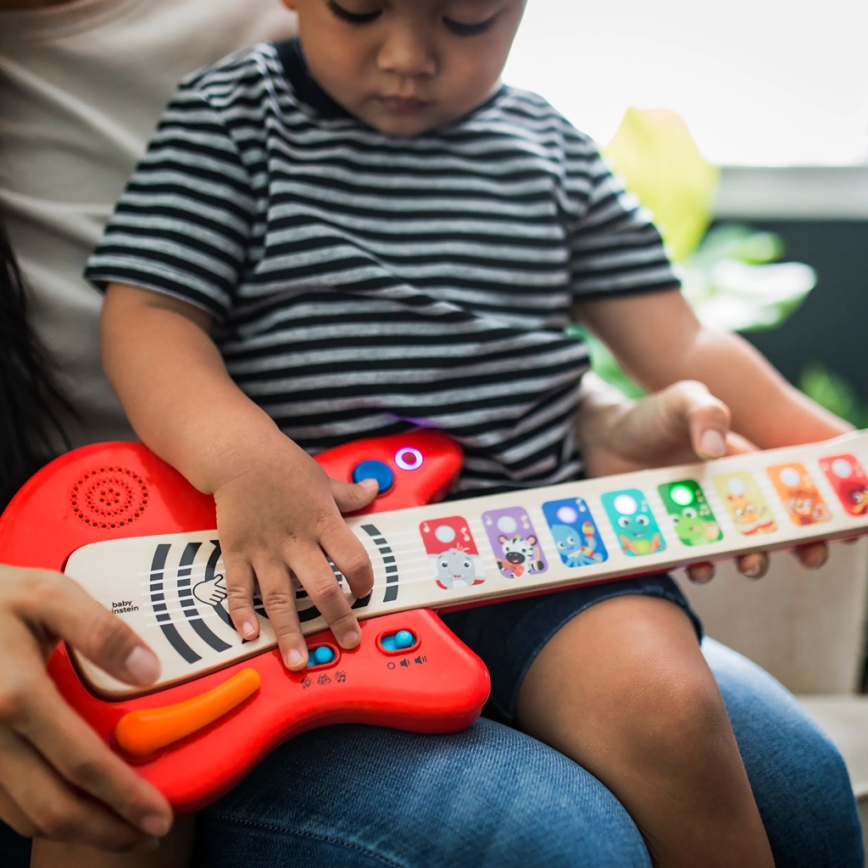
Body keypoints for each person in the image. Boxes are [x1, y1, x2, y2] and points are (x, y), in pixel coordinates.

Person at [0, 2, 861, 867]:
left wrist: (836, 453)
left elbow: (682, 340)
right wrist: (243, 461)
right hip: (305, 576)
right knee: (128, 795)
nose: (408, 55)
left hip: (530, 550)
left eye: (467, 17)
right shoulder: (232, 112)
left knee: (670, 707)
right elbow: (150, 314)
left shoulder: (549, 145)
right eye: (360, 9)